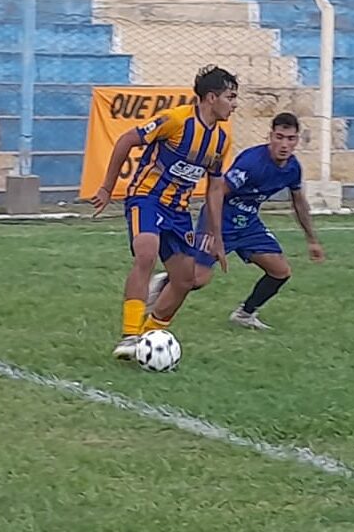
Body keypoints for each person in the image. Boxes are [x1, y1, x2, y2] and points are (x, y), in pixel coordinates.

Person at [90, 66, 238, 360]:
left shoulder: (221, 140)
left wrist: (217, 237)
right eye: (230, 97)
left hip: (179, 210)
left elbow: (214, 187)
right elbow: (125, 141)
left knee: (186, 281)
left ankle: (148, 337)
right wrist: (107, 188)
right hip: (147, 197)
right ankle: (130, 336)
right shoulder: (175, 120)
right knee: (146, 252)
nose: (235, 104)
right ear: (211, 98)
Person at [146, 113, 325, 330]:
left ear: (297, 140)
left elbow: (299, 202)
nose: (284, 144)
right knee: (197, 280)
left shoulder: (292, 168)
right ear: (270, 136)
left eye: (290, 138)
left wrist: (312, 239)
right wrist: (214, 232)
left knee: (280, 271)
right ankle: (165, 282)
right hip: (219, 219)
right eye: (279, 137)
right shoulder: (252, 162)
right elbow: (217, 193)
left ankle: (245, 314)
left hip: (248, 224)